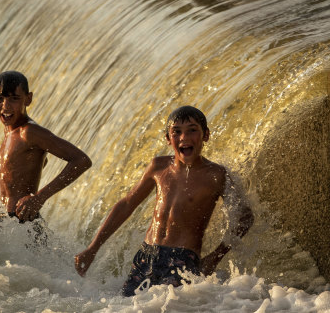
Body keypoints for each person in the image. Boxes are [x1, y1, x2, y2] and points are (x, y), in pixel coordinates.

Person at [74, 106, 253, 296]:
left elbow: (245, 217)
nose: (184, 138)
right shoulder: (158, 167)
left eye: (192, 130)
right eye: (176, 132)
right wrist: (93, 248)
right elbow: (127, 204)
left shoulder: (216, 175)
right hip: (146, 255)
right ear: (168, 139)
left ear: (206, 135)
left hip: (182, 260)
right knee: (126, 306)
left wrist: (215, 257)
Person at [0, 70, 92, 224]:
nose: (5, 106)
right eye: (0, 98)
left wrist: (39, 198)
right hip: (8, 222)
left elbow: (82, 160)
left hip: (23, 223)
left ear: (28, 99)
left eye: (14, 99)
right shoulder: (10, 131)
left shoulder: (29, 132)